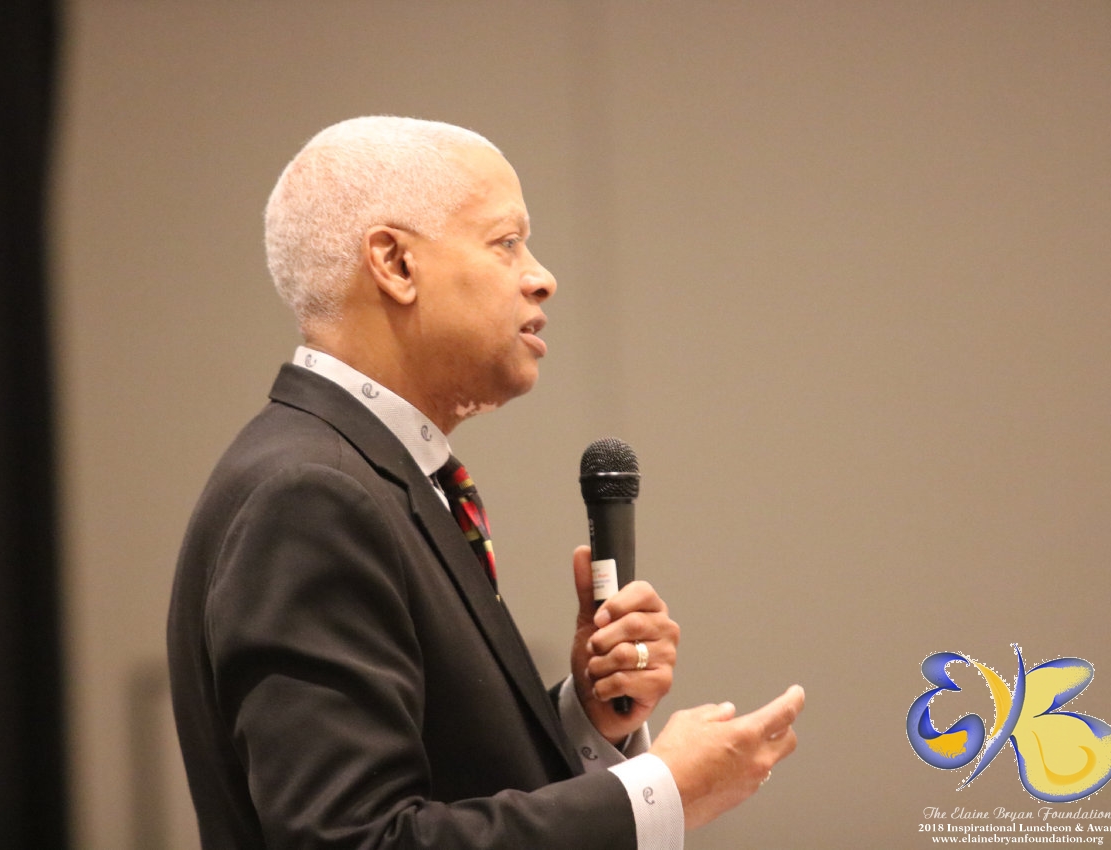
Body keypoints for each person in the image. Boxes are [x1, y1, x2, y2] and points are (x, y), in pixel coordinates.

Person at [166, 115, 804, 849]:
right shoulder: (311, 494)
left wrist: (586, 721)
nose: (542, 276)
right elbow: (357, 840)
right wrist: (661, 793)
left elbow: (444, 780)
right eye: (506, 242)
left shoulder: (364, 472)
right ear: (395, 264)